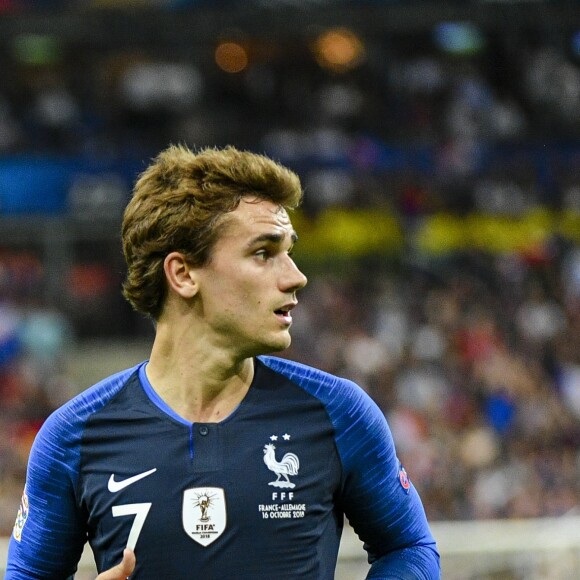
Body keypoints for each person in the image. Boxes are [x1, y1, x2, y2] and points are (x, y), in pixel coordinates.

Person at [6, 144, 440, 579]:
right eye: (263, 253)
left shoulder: (339, 413)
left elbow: (408, 546)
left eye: (288, 251)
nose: (296, 276)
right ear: (183, 274)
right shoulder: (73, 437)